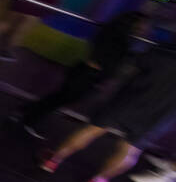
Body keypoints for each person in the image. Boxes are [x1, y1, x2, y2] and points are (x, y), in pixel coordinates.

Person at [42, 42, 176, 182]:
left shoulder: (162, 52)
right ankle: (97, 181)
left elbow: (132, 65)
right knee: (131, 150)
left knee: (91, 130)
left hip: (129, 100)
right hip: (159, 117)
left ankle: (53, 160)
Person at [13, 11, 148, 140]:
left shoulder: (112, 33)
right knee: (58, 100)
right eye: (142, 25)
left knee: (57, 97)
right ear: (132, 24)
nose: (144, 29)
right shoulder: (118, 39)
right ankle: (29, 121)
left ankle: (25, 112)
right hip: (89, 75)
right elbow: (105, 58)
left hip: (85, 71)